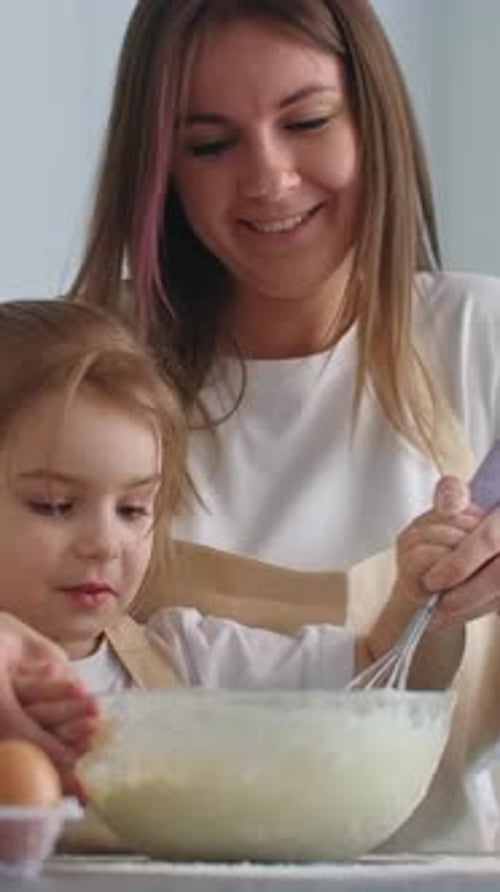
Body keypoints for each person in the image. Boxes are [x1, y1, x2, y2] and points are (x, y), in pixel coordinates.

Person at [4, 0, 500, 852]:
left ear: (371, 119)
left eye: (306, 120)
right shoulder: (81, 363)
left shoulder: (477, 338)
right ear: (159, 166)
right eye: (209, 143)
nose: (268, 178)